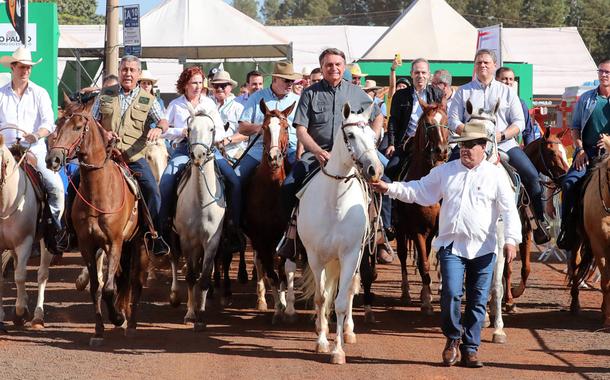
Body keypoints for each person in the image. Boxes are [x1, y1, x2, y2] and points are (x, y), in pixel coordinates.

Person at [371, 122, 521, 368]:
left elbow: (509, 210)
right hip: (452, 246)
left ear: (483, 147)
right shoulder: (445, 171)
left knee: (478, 300)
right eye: (462, 145)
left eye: (471, 145)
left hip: (484, 249)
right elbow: (418, 190)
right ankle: (453, 338)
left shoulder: (495, 176)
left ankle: (470, 348)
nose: (465, 150)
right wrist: (389, 188)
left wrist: (512, 239)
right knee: (450, 293)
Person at [277, 48, 383, 260]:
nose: (333, 68)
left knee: (383, 178)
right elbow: (301, 129)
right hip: (317, 154)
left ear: (344, 67)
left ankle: (379, 232)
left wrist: (372, 138)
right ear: (322, 67)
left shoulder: (356, 92)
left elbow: (378, 116)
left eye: (337, 64)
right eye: (329, 65)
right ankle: (289, 236)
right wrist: (316, 151)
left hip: (354, 155)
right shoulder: (310, 93)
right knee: (289, 184)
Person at [448, 49, 550, 245]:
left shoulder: (507, 92)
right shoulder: (463, 91)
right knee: (448, 173)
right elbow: (452, 120)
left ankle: (539, 223)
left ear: (494, 66)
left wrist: (501, 134)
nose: (483, 65)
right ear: (475, 66)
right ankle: (444, 223)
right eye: (479, 62)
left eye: (486, 62)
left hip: (504, 144)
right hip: (470, 145)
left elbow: (519, 122)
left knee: (531, 176)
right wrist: (469, 134)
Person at [91, 54, 170, 256]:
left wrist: (158, 129)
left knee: (152, 190)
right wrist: (104, 133)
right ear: (119, 71)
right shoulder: (105, 94)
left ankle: (155, 235)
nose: (128, 74)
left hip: (133, 158)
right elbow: (92, 122)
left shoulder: (148, 99)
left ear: (138, 74)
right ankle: (70, 231)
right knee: (76, 181)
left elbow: (162, 120)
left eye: (132, 70)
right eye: (124, 69)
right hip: (105, 156)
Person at [0, 46, 66, 253]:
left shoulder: (40, 93)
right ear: (13, 67)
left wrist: (36, 135)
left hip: (32, 151)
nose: (26, 70)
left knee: (55, 187)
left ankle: (54, 229)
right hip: (5, 150)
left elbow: (49, 123)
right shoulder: (1, 94)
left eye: (28, 67)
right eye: (22, 67)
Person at [557, 58, 610, 248]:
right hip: (587, 152)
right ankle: (567, 229)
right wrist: (579, 149)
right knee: (570, 183)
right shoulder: (586, 99)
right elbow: (575, 128)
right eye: (601, 71)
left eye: (607, 72)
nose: (603, 75)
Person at [237, 61, 302, 187]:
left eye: (292, 81)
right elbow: (242, 128)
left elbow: (304, 129)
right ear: (275, 79)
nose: (290, 84)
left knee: (307, 180)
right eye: (286, 80)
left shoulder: (298, 100)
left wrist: (300, 151)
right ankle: (234, 207)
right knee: (236, 179)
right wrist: (262, 129)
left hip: (291, 151)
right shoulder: (256, 98)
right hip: (258, 151)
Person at [385, 57, 443, 180]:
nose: (420, 76)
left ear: (429, 75)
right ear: (411, 74)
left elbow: (442, 120)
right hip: (406, 143)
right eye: (417, 72)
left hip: (431, 143)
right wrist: (391, 144)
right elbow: (393, 121)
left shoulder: (438, 94)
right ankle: (388, 199)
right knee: (389, 172)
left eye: (423, 72)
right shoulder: (400, 95)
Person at [495, 67, 540, 146]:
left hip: (508, 144)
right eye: (504, 79)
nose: (508, 82)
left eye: (511, 79)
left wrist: (530, 150)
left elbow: (527, 131)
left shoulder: (520, 103)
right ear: (496, 79)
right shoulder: (489, 98)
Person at [210, 70, 248, 161]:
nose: (219, 88)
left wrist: (229, 139)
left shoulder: (238, 107)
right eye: (216, 85)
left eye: (223, 85)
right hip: (208, 152)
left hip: (233, 152)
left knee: (237, 175)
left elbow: (246, 134)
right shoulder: (206, 105)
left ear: (230, 87)